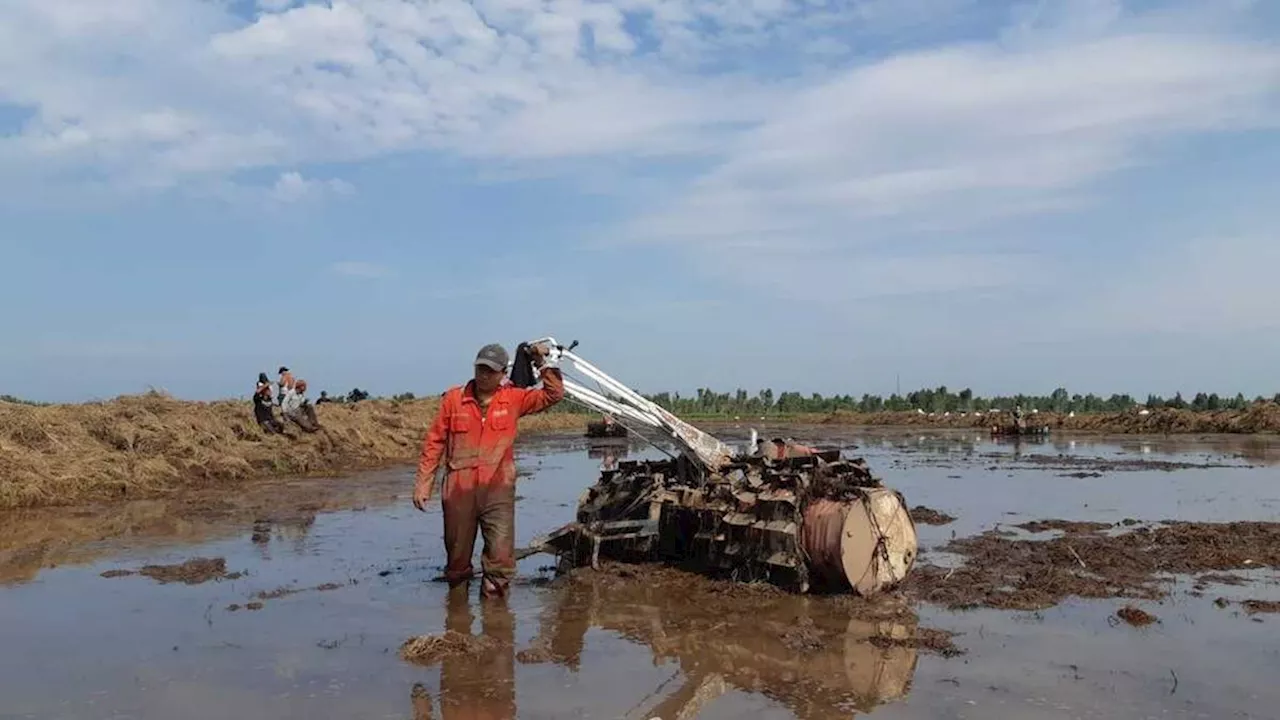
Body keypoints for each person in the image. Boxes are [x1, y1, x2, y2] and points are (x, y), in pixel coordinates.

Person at [412, 342, 564, 599]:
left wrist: (541, 361)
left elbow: (554, 394)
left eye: (490, 371)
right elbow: (435, 441)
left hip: (498, 489)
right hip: (459, 489)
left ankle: (496, 621)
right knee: (457, 556)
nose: (483, 375)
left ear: (503, 372)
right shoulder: (453, 399)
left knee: (500, 554)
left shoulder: (514, 398)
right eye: (480, 369)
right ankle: (458, 613)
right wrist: (424, 482)